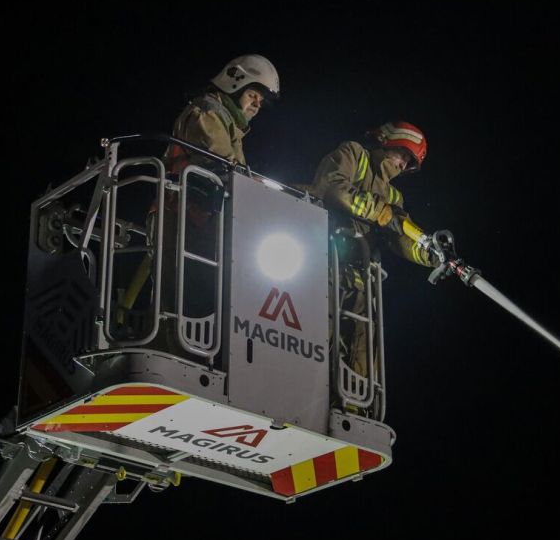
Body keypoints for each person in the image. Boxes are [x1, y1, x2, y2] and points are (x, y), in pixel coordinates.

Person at [117, 55, 280, 353]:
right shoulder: (207, 113)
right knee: (175, 295)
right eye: (253, 95)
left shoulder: (231, 126)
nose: (257, 104)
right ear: (235, 84)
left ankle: (197, 353)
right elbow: (220, 162)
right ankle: (169, 354)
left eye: (261, 100)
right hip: (176, 215)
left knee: (199, 295)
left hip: (198, 221)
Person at [309, 121, 447, 388]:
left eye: (409, 163)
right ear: (387, 141)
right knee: (313, 341)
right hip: (323, 269)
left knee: (360, 355)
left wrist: (430, 253)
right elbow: (332, 188)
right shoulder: (354, 154)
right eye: (403, 155)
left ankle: (351, 411)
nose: (403, 165)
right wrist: (380, 212)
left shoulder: (394, 195)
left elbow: (399, 238)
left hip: (360, 284)